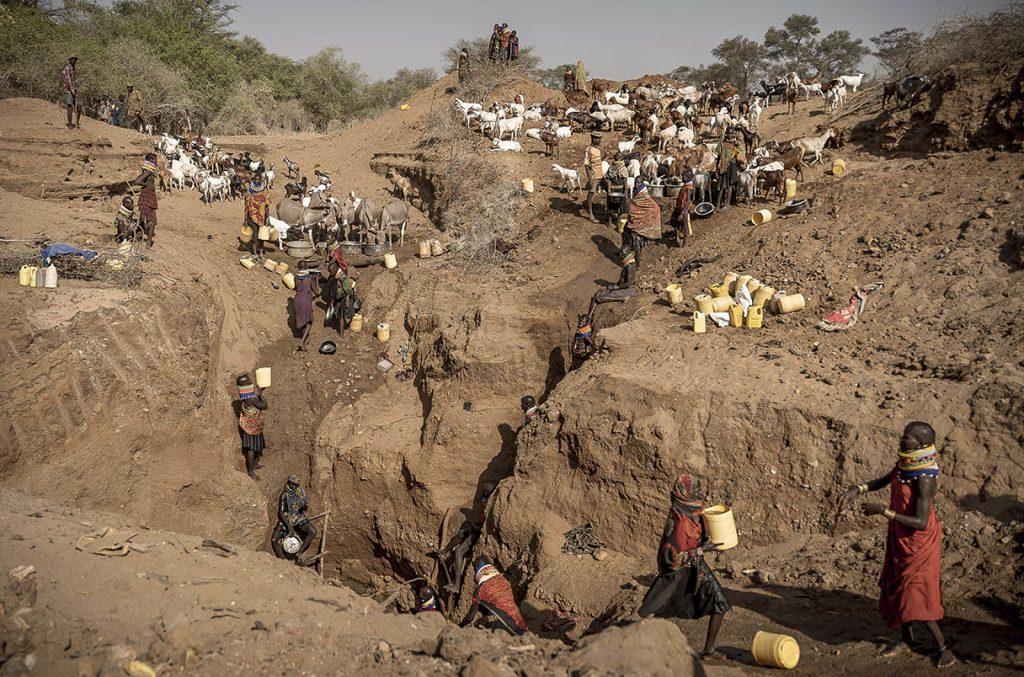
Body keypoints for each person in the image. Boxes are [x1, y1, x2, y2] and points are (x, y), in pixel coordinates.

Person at [838, 422, 955, 668]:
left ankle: (943, 648)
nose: (902, 440)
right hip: (901, 537)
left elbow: (922, 522)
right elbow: (885, 479)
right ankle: (906, 639)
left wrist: (884, 511)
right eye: (904, 435)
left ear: (921, 445)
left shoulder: (924, 478)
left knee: (916, 595)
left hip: (919, 542)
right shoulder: (907, 464)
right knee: (899, 587)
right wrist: (858, 489)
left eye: (908, 438)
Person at [638, 474, 731, 659]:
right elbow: (673, 559)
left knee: (720, 603)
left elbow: (696, 539)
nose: (701, 494)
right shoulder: (680, 522)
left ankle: (709, 650)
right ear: (685, 494)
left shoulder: (691, 513)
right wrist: (702, 550)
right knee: (664, 609)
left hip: (695, 566)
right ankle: (638, 645)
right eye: (696, 491)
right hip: (679, 572)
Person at [466, 558, 527, 635]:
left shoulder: (480, 589)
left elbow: (470, 618)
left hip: (507, 625)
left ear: (478, 573)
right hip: (519, 622)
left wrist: (458, 627)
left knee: (479, 625)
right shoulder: (503, 580)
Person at [272, 475, 318, 560]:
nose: (293, 485)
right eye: (291, 483)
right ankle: (282, 560)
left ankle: (299, 552)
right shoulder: (284, 495)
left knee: (313, 532)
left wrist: (303, 506)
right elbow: (281, 513)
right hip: (286, 518)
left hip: (297, 517)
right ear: (288, 482)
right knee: (274, 540)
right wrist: (289, 527)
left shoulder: (300, 492)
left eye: (295, 484)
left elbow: (303, 505)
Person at [589, 244, 638, 316]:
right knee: (598, 293)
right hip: (622, 287)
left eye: (623, 253)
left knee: (599, 298)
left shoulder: (630, 266)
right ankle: (589, 318)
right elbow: (623, 279)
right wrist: (614, 285)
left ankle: (622, 298)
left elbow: (629, 283)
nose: (620, 254)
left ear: (628, 253)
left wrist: (615, 287)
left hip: (628, 290)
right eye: (620, 252)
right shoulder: (627, 262)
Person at [236, 373, 268, 480]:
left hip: (253, 425)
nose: (251, 382)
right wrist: (261, 394)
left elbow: (256, 401)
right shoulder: (251, 398)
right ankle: (250, 471)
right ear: (245, 385)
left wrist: (259, 393)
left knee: (256, 447)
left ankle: (254, 465)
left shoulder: (247, 396)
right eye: (248, 381)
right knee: (251, 449)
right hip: (251, 427)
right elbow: (264, 406)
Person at [128, 154, 159, 247]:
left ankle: (144, 240)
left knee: (150, 220)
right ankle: (142, 238)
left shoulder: (149, 171)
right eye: (154, 160)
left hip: (149, 195)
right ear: (149, 160)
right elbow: (137, 181)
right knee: (146, 219)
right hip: (147, 195)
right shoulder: (148, 172)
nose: (156, 161)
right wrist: (144, 184)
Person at [625, 182, 662, 252]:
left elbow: (656, 208)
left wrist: (646, 220)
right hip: (634, 223)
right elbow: (632, 208)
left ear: (642, 184)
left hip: (640, 226)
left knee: (637, 247)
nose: (636, 184)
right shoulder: (635, 192)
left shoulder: (644, 195)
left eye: (639, 183)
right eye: (636, 182)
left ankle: (637, 262)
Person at [293, 260, 320, 352]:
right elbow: (317, 291)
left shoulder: (296, 277)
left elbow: (297, 289)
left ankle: (303, 341)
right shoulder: (309, 278)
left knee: (304, 321)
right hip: (305, 301)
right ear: (306, 267)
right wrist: (316, 280)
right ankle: (302, 342)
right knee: (309, 323)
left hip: (297, 300)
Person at [244, 171, 271, 257]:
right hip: (252, 216)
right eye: (255, 179)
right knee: (254, 235)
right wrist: (245, 219)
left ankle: (261, 252)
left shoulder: (265, 192)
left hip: (262, 217)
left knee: (262, 235)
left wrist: (268, 218)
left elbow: (267, 206)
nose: (256, 181)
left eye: (258, 179)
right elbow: (246, 206)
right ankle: (255, 253)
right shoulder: (249, 191)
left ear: (260, 180)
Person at [582, 132, 604, 223]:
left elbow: (597, 162)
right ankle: (590, 214)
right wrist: (589, 179)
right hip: (594, 175)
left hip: (600, 174)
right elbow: (586, 165)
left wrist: (605, 156)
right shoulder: (588, 150)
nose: (600, 141)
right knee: (591, 194)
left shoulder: (597, 149)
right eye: (598, 139)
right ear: (594, 139)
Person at [670, 171, 694, 247]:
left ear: (689, 178)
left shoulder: (688, 188)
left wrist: (683, 212)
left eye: (684, 176)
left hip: (684, 210)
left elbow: (688, 201)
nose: (682, 177)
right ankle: (678, 238)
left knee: (685, 226)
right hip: (680, 208)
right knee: (676, 222)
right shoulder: (685, 186)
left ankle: (685, 243)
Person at [60, 56, 80, 129]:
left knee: (78, 106)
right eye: (73, 59)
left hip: (73, 89)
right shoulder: (67, 68)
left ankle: (76, 123)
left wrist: (75, 89)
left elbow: (73, 80)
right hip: (68, 90)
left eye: (75, 59)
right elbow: (68, 80)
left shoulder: (73, 68)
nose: (74, 61)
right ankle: (70, 124)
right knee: (70, 106)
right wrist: (72, 90)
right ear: (70, 60)